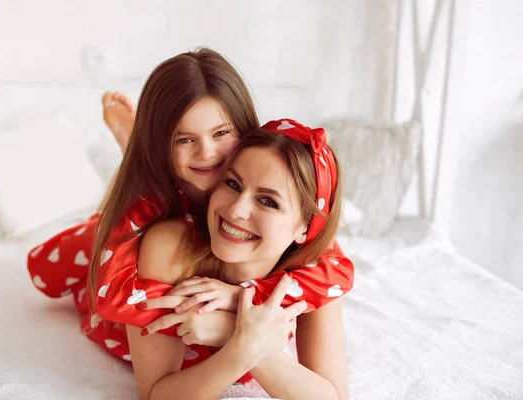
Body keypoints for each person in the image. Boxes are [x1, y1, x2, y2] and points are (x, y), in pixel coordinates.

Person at [27, 49, 353, 390]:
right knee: (67, 257)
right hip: (154, 217)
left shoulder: (299, 227)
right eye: (184, 138)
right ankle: (131, 151)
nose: (207, 153)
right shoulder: (164, 236)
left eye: (221, 134)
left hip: (210, 231)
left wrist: (236, 323)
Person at [123, 120, 347, 399]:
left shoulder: (316, 274)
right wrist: (248, 344)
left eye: (268, 201)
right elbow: (156, 394)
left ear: (305, 227)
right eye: (232, 184)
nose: (237, 210)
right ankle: (131, 148)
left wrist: (236, 333)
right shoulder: (171, 247)